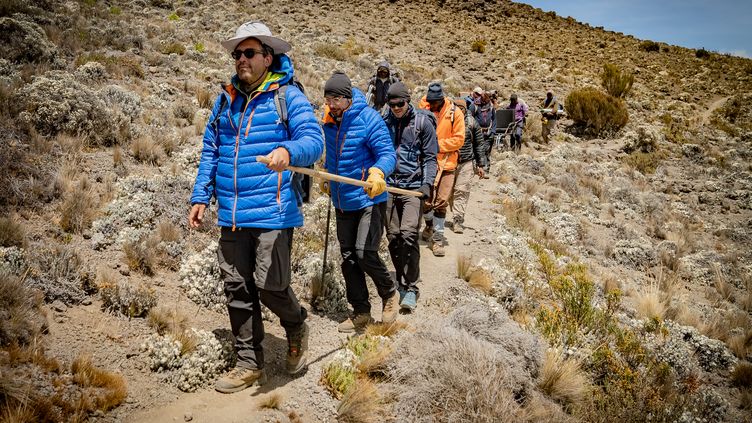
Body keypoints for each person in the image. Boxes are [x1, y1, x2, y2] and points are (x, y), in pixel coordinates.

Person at [188, 21, 324, 393]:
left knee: (270, 286)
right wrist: (201, 196)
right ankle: (249, 363)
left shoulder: (287, 96)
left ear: (268, 57)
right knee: (237, 288)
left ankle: (296, 323)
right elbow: (211, 151)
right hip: (232, 213)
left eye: (249, 53)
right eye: (237, 54)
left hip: (274, 211)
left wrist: (289, 150)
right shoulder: (225, 99)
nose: (241, 60)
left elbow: (313, 140)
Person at [320, 71, 399, 333]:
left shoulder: (369, 119)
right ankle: (361, 311)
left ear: (347, 98)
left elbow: (387, 154)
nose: (330, 105)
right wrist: (326, 174)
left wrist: (378, 172)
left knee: (364, 252)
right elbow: (334, 154)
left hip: (369, 197)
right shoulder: (329, 121)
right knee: (348, 258)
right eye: (327, 99)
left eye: (334, 99)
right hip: (342, 200)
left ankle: (389, 293)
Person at [381, 82, 438, 311]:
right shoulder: (383, 122)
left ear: (408, 100)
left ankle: (412, 286)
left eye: (400, 104)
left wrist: (427, 184)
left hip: (413, 188)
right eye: (392, 104)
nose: (396, 108)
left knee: (408, 234)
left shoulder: (422, 124)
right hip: (388, 187)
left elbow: (431, 157)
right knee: (393, 236)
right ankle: (401, 282)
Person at [419, 82, 465, 257]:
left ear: (442, 99)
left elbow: (459, 139)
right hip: (425, 162)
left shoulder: (455, 113)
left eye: (435, 103)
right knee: (426, 199)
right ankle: (429, 225)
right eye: (431, 103)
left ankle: (438, 239)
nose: (433, 106)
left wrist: (436, 146)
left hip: (447, 164)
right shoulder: (422, 107)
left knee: (442, 201)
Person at [450, 98, 485, 234]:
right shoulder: (448, 121)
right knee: (449, 193)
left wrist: (480, 165)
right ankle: (452, 213)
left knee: (461, 191)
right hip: (449, 162)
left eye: (461, 108)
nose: (459, 110)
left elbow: (479, 144)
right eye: (456, 107)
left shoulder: (472, 123)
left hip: (466, 163)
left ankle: (458, 220)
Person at [472, 91, 496, 173]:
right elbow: (470, 118)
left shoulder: (491, 106)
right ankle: (478, 167)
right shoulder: (475, 106)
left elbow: (494, 119)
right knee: (479, 150)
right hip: (478, 132)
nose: (484, 100)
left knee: (487, 150)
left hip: (489, 132)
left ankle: (486, 168)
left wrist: (493, 131)